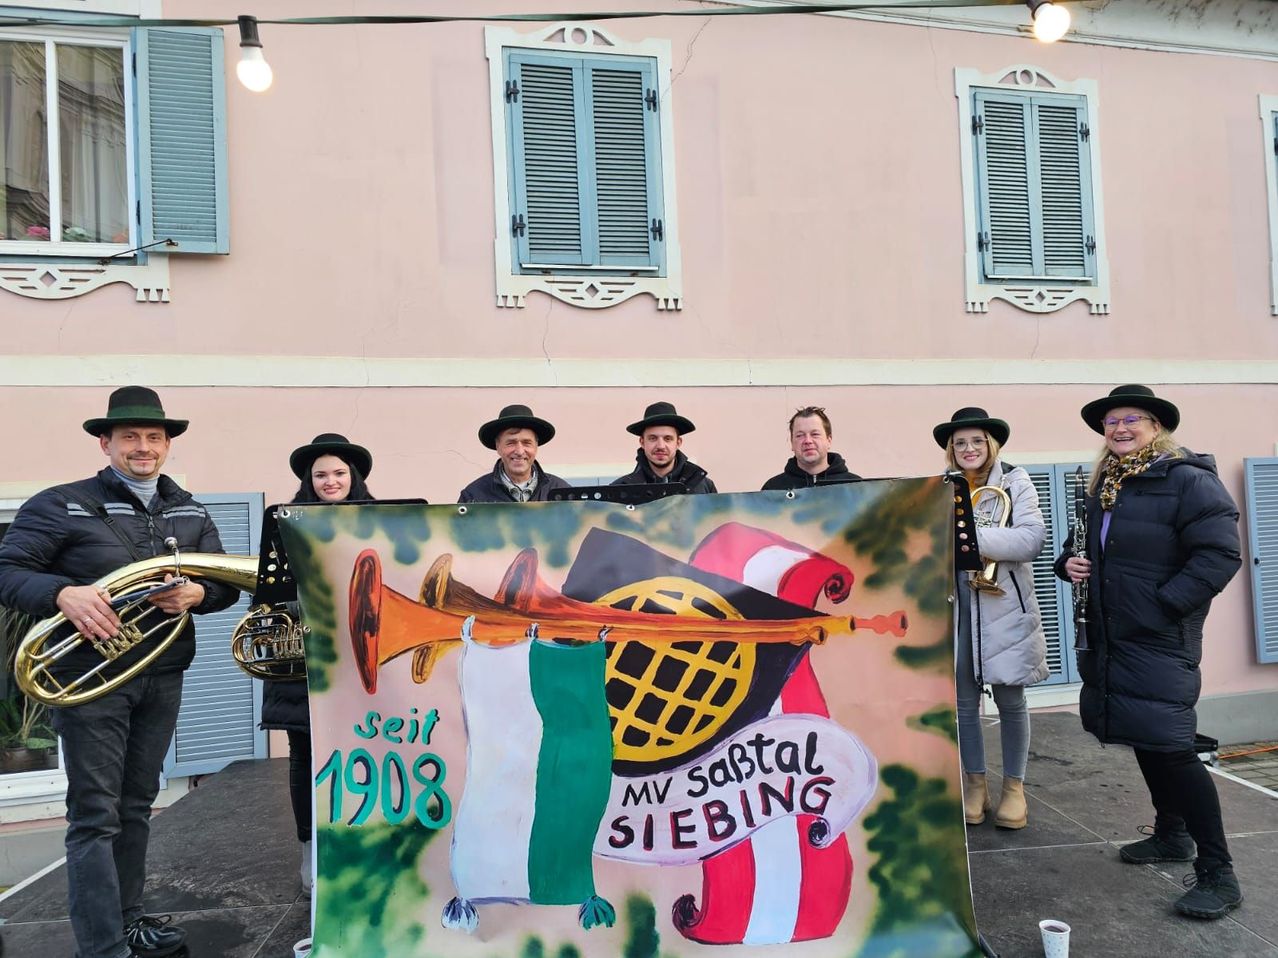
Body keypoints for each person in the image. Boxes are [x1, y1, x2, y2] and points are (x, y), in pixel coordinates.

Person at [0, 386, 240, 958]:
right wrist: (62, 593)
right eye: (130, 437)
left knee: (136, 805)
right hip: (92, 680)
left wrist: (198, 593)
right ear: (105, 443)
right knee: (95, 816)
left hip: (161, 674)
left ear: (167, 445)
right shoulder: (61, 504)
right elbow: (7, 571)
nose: (143, 447)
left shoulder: (189, 509)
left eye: (154, 437)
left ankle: (128, 920)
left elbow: (225, 585)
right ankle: (102, 946)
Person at [1056, 384, 1243, 920]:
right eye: (1111, 421)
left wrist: (1163, 606)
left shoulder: (1187, 479)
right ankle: (1171, 833)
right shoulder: (1108, 482)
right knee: (1144, 736)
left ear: (1156, 426)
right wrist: (1067, 564)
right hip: (1113, 636)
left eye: (1131, 419)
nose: (1119, 428)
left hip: (1158, 637)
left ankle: (1219, 872)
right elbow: (1082, 549)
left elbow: (1219, 555)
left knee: (1173, 749)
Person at [262, 434, 375, 897]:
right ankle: (310, 850)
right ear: (309, 481)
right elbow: (269, 596)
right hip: (304, 660)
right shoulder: (286, 525)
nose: (331, 481)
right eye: (321, 475)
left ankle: (362, 842)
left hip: (361, 658)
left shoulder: (381, 521)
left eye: (339, 473)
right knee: (305, 756)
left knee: (367, 751)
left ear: (354, 477)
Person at [934, 406, 1049, 831]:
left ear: (991, 444)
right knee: (964, 702)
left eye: (976, 441)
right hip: (958, 603)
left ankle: (1014, 788)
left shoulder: (1015, 480)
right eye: (960, 443)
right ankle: (975, 784)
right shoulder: (941, 487)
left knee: (1010, 700)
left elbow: (1031, 539)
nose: (969, 449)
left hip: (1003, 604)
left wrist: (968, 537)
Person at [458, 404, 570, 503]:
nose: (520, 451)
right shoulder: (474, 496)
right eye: (511, 443)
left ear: (536, 446)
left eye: (527, 443)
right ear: (498, 446)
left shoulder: (561, 492)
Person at [611, 401, 717, 493]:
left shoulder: (704, 487)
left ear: (678, 442)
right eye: (653, 438)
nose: (661, 446)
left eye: (668, 438)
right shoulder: (619, 490)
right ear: (642, 442)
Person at [762, 406, 861, 489]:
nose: (808, 441)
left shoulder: (857, 488)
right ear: (792, 443)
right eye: (800, 435)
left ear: (829, 440)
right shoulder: (773, 489)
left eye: (815, 434)